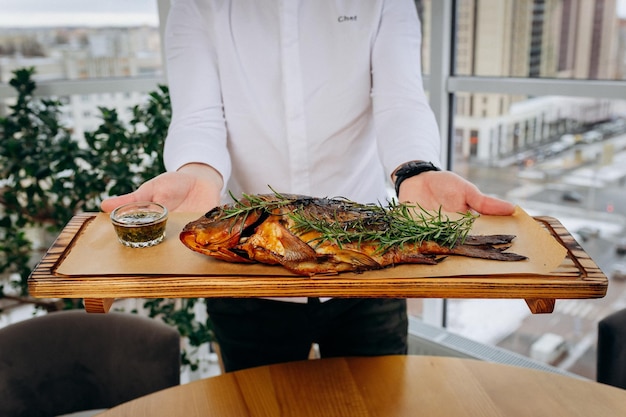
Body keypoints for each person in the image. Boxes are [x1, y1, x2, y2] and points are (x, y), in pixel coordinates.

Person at [101, 0, 515, 372]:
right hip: (247, 275)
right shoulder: (196, 6)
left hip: (368, 269)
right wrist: (196, 173)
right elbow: (199, 116)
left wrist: (416, 171)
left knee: (378, 405)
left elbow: (400, 99)